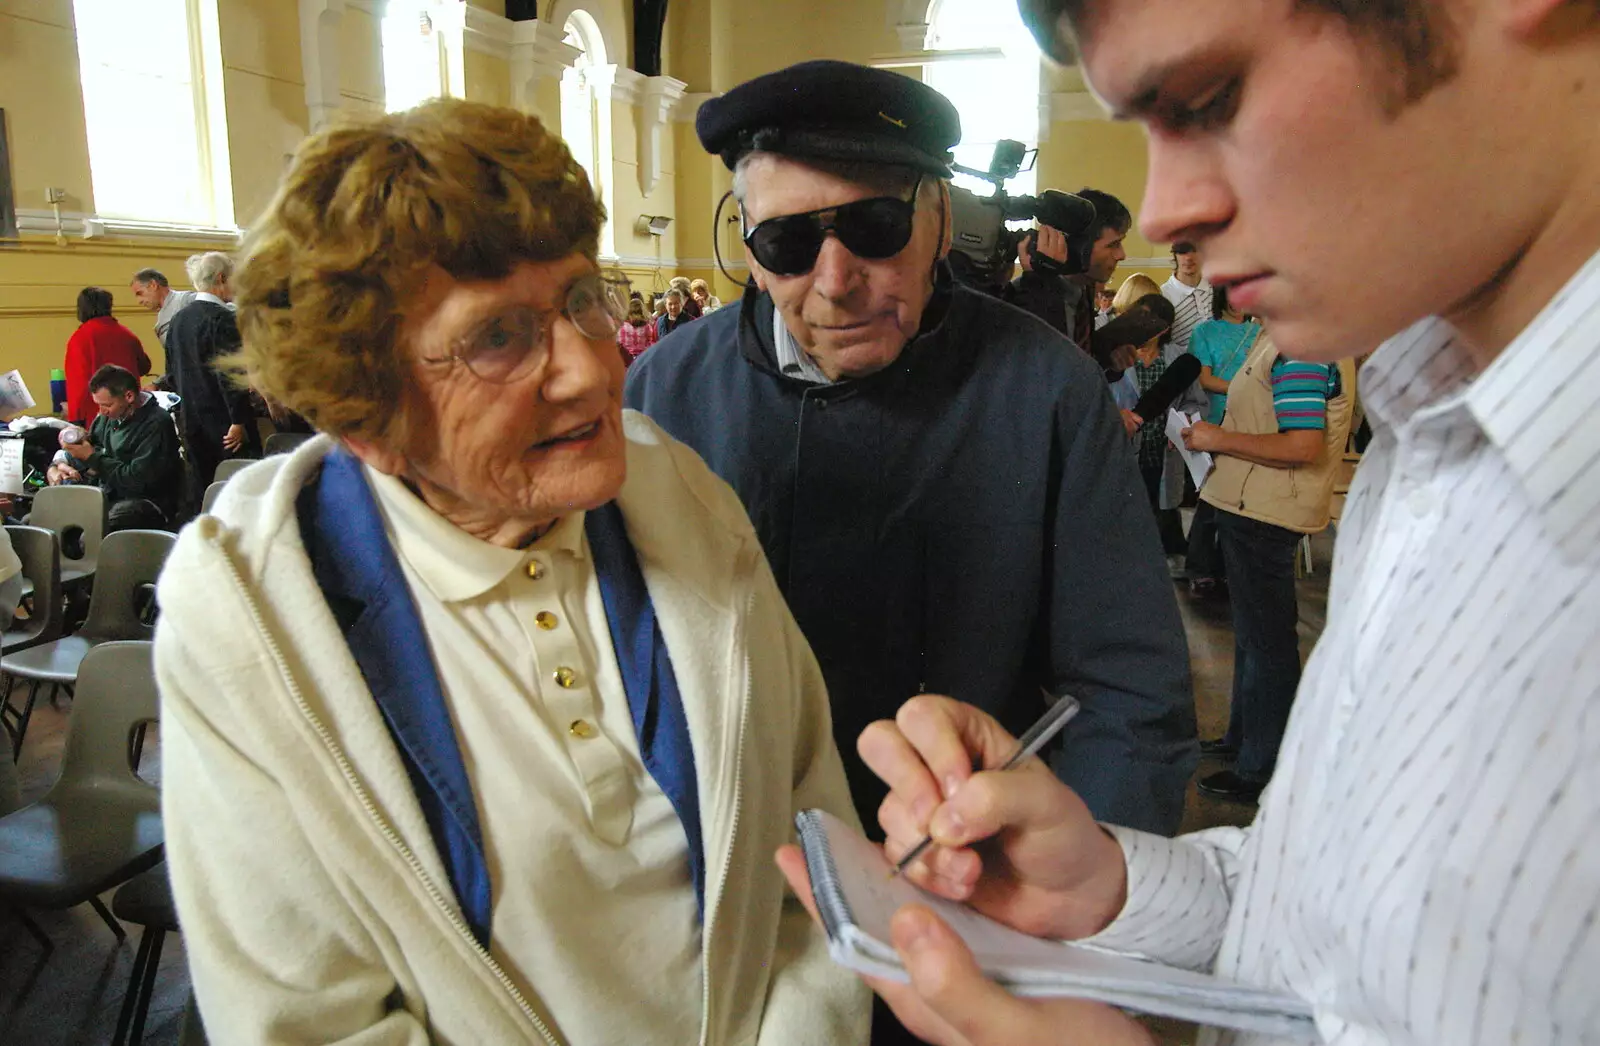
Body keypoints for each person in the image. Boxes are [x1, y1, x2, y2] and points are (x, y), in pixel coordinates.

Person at [776, 0, 1600, 1043]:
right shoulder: (1432, 431)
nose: (1163, 211)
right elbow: (1332, 918)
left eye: (1211, 99)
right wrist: (1107, 886)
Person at [155, 98, 867, 1046]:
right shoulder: (256, 622)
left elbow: (814, 842)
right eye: (496, 337)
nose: (591, 366)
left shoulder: (688, 505)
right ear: (365, 415)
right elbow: (310, 1021)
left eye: (580, 299)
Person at [627, 59, 1195, 841]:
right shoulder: (665, 395)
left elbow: (1128, 688)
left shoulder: (1044, 390)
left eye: (874, 229)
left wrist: (1073, 900)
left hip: (975, 866)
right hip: (735, 870)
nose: (834, 283)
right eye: (788, 241)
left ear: (937, 219)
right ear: (750, 250)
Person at [1182, 336, 1355, 801]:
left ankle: (1261, 766)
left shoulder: (1303, 345)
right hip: (1253, 502)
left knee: (1268, 643)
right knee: (1254, 636)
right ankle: (1244, 742)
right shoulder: (1280, 337)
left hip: (1268, 509)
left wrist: (1220, 438)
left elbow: (1302, 444)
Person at [1185, 285, 1263, 595]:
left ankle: (1231, 567)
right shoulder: (1205, 331)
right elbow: (1204, 378)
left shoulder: (1262, 333)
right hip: (1214, 420)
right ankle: (1201, 567)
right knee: (1210, 498)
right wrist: (1242, 389)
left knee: (1242, 501)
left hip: (1254, 424)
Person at [164, 250, 258, 504]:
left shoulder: (177, 320)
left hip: (192, 422)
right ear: (220, 278)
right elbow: (232, 373)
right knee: (241, 493)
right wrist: (239, 420)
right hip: (226, 425)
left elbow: (171, 375)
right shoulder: (223, 319)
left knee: (205, 494)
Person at [53, 364, 184, 529]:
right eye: (99, 405)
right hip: (108, 494)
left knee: (92, 532)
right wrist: (58, 464)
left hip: (146, 502)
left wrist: (93, 458)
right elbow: (86, 449)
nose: (102, 411)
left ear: (129, 396)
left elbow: (137, 481)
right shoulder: (109, 418)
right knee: (48, 518)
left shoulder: (157, 423)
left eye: (107, 405)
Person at [63, 287, 151, 426]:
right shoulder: (127, 334)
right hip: (130, 412)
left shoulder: (80, 338)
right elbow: (144, 366)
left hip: (97, 417)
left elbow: (77, 384)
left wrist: (76, 419)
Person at [129, 267, 197, 349]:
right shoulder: (159, 325)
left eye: (140, 293)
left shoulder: (187, 299)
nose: (139, 301)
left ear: (153, 285)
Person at [617, 295, 659, 363]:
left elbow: (620, 343)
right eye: (634, 314)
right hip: (642, 358)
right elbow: (650, 342)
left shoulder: (622, 326)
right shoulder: (647, 326)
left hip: (628, 359)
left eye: (637, 314)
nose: (636, 317)